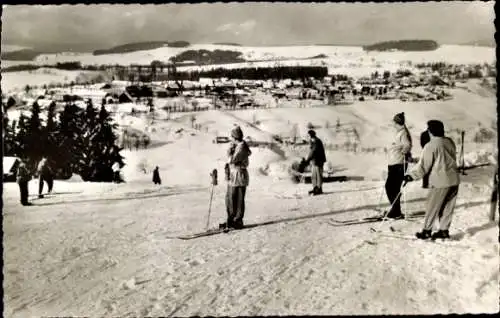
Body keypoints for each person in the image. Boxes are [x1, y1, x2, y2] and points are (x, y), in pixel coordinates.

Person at [404, 120, 460, 240]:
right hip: (454, 179)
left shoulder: (431, 145)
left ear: (430, 131)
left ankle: (426, 231)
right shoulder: (449, 142)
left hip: (440, 181)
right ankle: (444, 231)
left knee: (432, 206)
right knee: (447, 207)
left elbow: (424, 166)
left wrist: (411, 176)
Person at [220, 126, 251, 230]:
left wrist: (229, 151)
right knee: (230, 198)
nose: (231, 138)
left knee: (238, 198)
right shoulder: (237, 146)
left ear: (235, 137)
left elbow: (232, 160)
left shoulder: (241, 147)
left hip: (239, 175)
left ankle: (237, 220)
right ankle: (231, 219)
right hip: (234, 175)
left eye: (232, 136)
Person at [385, 112, 412, 219]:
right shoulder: (399, 132)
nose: (393, 124)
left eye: (394, 122)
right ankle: (395, 210)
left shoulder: (403, 133)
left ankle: (396, 211)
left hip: (399, 164)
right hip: (394, 163)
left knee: (391, 187)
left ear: (397, 122)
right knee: (392, 188)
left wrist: (404, 153)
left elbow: (408, 145)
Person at [304, 130, 326, 195]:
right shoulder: (312, 141)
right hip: (314, 161)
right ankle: (315, 188)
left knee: (318, 175)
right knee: (314, 176)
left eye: (309, 135)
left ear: (312, 135)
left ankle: (319, 189)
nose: (308, 137)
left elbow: (313, 151)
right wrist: (308, 160)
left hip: (319, 161)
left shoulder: (317, 141)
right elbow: (311, 152)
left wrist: (307, 160)